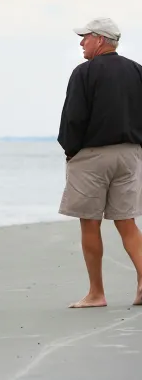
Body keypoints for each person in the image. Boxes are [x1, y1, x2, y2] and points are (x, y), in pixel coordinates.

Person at [58, 17, 142, 309]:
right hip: (130, 154)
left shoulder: (85, 72)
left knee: (90, 224)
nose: (82, 42)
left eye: (86, 37)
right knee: (127, 222)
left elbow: (73, 117)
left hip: (93, 155)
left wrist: (71, 151)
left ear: (101, 40)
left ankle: (96, 293)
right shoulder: (137, 71)